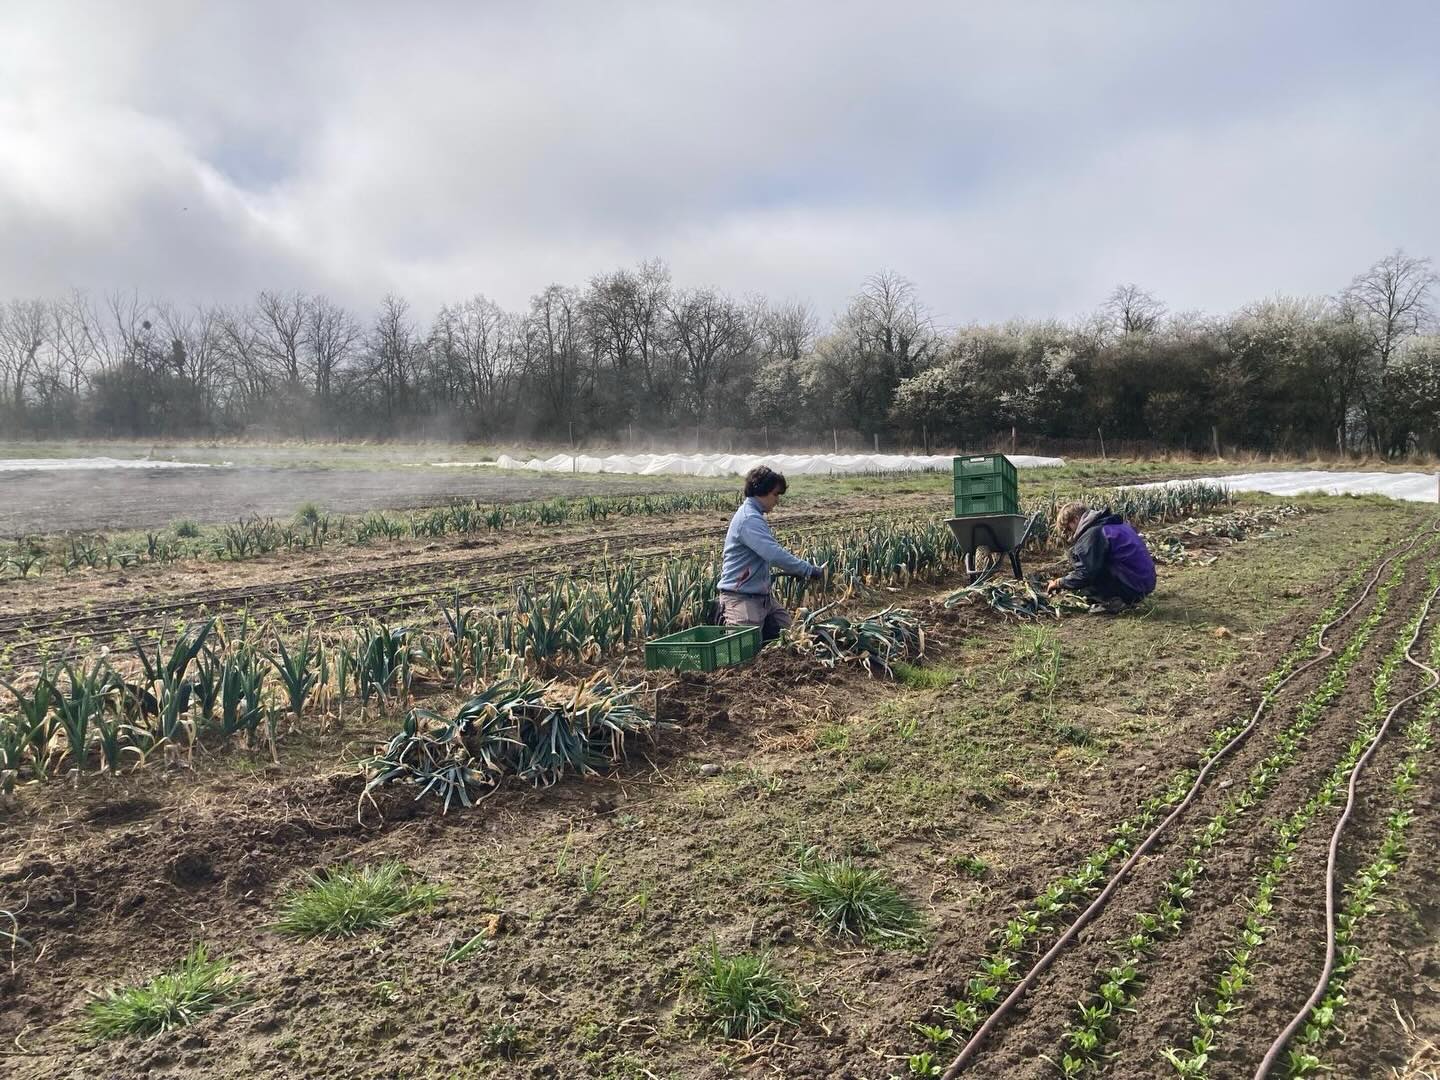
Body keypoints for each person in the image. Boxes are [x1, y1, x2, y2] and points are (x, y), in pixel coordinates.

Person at [718, 466, 825, 641]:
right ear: (761, 491)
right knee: (743, 653)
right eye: (775, 494)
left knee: (793, 640)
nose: (777, 500)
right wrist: (807, 570)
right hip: (742, 598)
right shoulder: (749, 519)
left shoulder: (753, 515)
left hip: (762, 598)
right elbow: (773, 554)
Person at [1045, 501, 1156, 614]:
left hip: (1133, 587)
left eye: (1068, 528)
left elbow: (1086, 574)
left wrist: (1060, 583)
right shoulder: (1114, 524)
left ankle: (1113, 602)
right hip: (1146, 582)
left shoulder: (1093, 534)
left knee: (1085, 585)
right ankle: (1123, 597)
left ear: (1075, 519)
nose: (1070, 533)